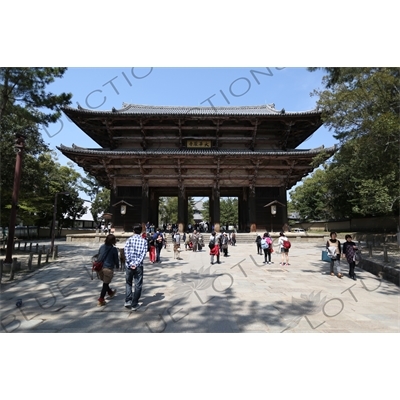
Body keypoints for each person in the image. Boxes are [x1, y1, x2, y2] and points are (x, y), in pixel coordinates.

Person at [124, 225, 148, 310]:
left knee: (128, 283)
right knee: (138, 285)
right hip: (139, 266)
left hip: (129, 266)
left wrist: (130, 263)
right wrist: (136, 263)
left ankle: (128, 301)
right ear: (141, 231)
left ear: (133, 230)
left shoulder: (129, 240)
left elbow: (126, 252)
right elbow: (143, 255)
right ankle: (134, 304)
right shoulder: (144, 241)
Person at [96, 234, 120, 306]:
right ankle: (101, 299)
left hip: (100, 267)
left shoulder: (102, 247)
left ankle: (110, 292)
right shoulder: (113, 249)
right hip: (108, 268)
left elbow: (99, 255)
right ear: (113, 241)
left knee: (105, 282)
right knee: (105, 284)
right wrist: (117, 266)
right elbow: (116, 259)